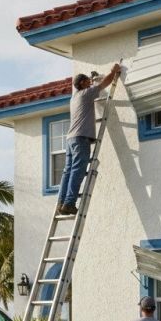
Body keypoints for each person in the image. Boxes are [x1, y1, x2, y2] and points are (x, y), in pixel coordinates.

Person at [56, 63, 121, 215]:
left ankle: (62, 202)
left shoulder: (74, 97)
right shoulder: (86, 94)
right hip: (81, 138)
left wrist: (93, 80)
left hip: (71, 139)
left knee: (68, 171)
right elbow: (105, 82)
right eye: (87, 81)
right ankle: (69, 203)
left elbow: (93, 85)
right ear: (82, 83)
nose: (90, 83)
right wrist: (113, 71)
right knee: (78, 170)